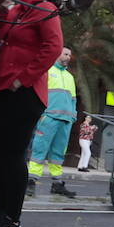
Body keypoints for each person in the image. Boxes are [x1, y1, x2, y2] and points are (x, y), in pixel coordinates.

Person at [0, 0, 63, 227]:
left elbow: (53, 47)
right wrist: (2, 9)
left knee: (12, 154)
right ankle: (0, 209)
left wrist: (24, 79)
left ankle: (12, 217)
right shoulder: (16, 9)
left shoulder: (47, 10)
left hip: (25, 92)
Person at [27, 47, 78, 197]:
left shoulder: (70, 77)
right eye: (65, 54)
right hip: (48, 117)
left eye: (70, 55)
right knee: (39, 150)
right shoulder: (47, 72)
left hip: (66, 120)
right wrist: (41, 114)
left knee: (58, 154)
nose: (68, 57)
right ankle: (31, 182)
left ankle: (57, 184)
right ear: (57, 54)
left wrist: (73, 117)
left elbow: (73, 100)